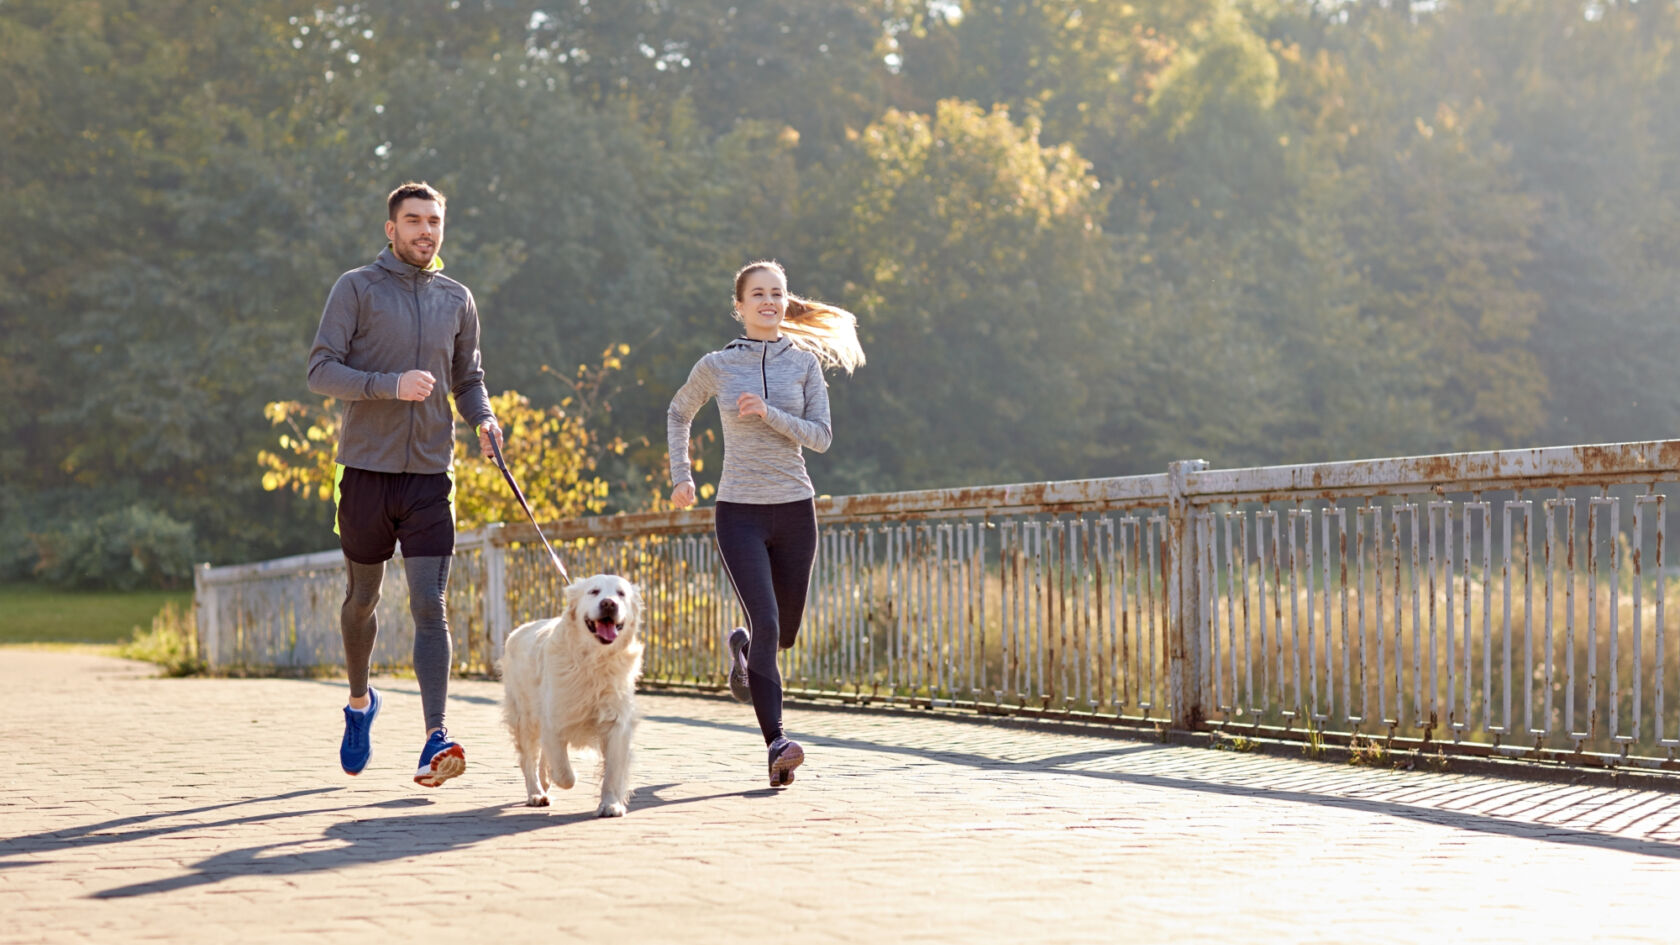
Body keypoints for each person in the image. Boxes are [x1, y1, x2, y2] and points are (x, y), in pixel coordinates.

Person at [306, 181, 503, 787]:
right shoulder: (356, 288)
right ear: (390, 229)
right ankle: (360, 703)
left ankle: (435, 736)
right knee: (363, 599)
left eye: (434, 221)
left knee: (428, 604)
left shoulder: (457, 298)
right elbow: (320, 371)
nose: (425, 231)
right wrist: (389, 385)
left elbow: (468, 380)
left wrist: (485, 419)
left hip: (428, 474)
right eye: (413, 220)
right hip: (364, 470)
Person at [666, 260, 865, 787]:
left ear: (784, 301)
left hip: (796, 508)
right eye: (758, 294)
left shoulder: (803, 365)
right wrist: (682, 476)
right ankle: (777, 742)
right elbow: (679, 411)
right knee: (768, 622)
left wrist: (769, 414)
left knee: (783, 634)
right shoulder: (716, 365)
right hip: (739, 512)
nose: (769, 301)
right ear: (740, 305)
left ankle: (743, 653)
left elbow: (821, 436)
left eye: (777, 293)